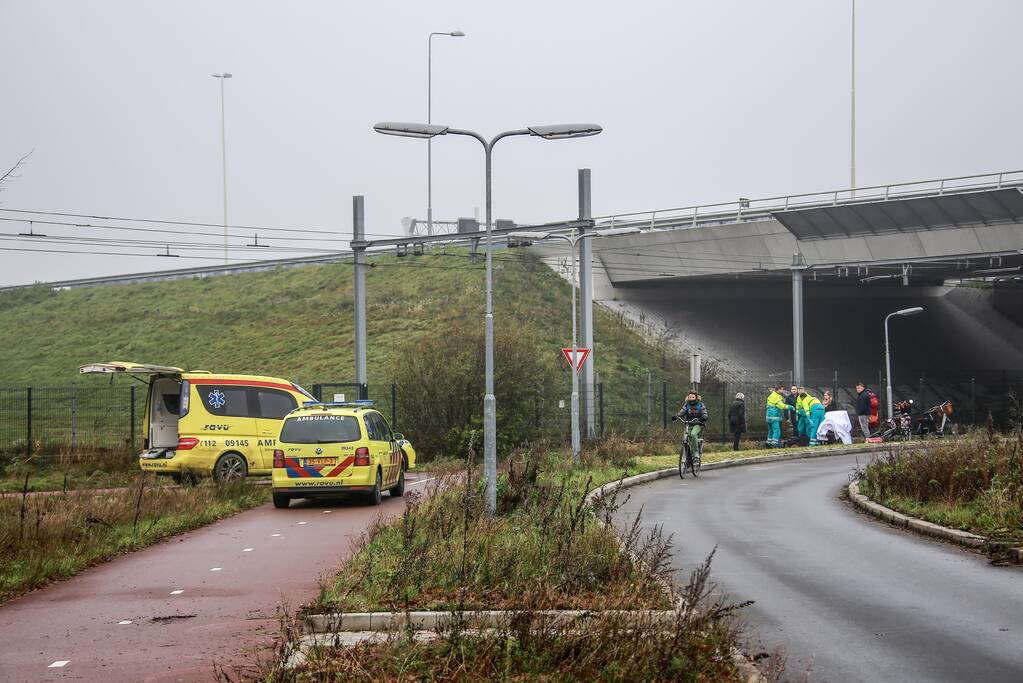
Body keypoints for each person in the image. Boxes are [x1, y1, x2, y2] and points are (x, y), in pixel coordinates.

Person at [674, 391, 708, 459]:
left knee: (693, 434)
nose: (691, 398)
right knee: (687, 436)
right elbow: (682, 412)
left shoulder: (700, 405)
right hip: (689, 424)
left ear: (696, 397)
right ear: (688, 397)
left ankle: (695, 453)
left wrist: (702, 418)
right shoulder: (687, 405)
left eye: (693, 397)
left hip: (698, 424)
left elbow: (705, 414)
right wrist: (677, 416)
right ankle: (688, 453)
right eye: (690, 397)